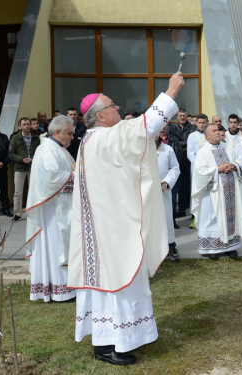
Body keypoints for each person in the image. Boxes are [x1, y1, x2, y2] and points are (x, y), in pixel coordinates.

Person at [67, 72, 184, 366]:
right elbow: (144, 128)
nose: (118, 108)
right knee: (117, 279)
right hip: (112, 231)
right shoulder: (104, 138)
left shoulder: (93, 139)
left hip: (108, 225)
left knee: (113, 281)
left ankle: (110, 340)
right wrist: (170, 92)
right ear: (100, 115)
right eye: (112, 105)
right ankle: (110, 343)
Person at [25, 115, 76, 302]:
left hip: (61, 207)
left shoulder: (58, 148)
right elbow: (51, 178)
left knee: (62, 246)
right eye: (69, 133)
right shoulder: (47, 149)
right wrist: (79, 177)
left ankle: (66, 288)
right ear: (57, 132)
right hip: (52, 213)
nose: (72, 137)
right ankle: (58, 290)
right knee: (56, 247)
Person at [191, 123, 242, 259]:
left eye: (218, 130)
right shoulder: (203, 152)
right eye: (214, 131)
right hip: (212, 193)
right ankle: (212, 249)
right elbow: (200, 173)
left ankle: (231, 246)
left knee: (230, 217)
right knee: (213, 218)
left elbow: (240, 161)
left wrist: (234, 166)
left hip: (230, 192)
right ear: (207, 136)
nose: (218, 132)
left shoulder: (228, 147)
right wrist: (218, 169)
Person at [8, 117, 40, 222]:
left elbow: (40, 152)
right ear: (20, 126)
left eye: (28, 124)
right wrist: (21, 159)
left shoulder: (36, 137)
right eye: (24, 124)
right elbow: (11, 153)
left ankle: (35, 212)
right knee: (18, 192)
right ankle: (17, 213)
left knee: (34, 190)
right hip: (20, 167)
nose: (26, 126)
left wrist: (33, 159)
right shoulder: (15, 138)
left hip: (33, 167)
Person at [156, 129, 181, 261]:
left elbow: (175, 168)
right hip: (147, 190)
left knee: (166, 218)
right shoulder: (140, 150)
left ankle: (171, 245)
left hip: (163, 189)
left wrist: (167, 181)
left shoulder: (167, 149)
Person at [169, 108, 196, 219]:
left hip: (189, 161)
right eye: (180, 116)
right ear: (177, 117)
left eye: (184, 115)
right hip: (178, 161)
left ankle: (190, 209)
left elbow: (192, 142)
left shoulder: (192, 128)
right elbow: (172, 141)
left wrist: (180, 144)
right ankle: (181, 210)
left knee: (189, 185)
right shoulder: (173, 129)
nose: (182, 117)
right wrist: (184, 144)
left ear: (187, 116)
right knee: (179, 186)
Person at [187, 113, 208, 229]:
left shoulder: (209, 134)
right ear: (196, 123)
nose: (201, 124)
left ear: (207, 122)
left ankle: (205, 215)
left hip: (208, 167)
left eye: (203, 122)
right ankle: (195, 216)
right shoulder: (192, 136)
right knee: (196, 190)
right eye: (199, 122)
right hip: (196, 168)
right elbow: (190, 153)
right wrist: (199, 164)